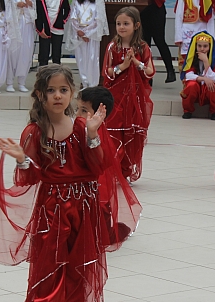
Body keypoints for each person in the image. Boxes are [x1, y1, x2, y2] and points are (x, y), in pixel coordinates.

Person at [0, 64, 141, 302]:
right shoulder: (35, 132)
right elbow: (29, 178)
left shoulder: (82, 126)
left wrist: (94, 135)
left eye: (63, 90)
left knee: (78, 258)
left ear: (72, 93)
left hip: (84, 205)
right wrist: (22, 159)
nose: (58, 96)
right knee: (49, 257)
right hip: (53, 206)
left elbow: (99, 167)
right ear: (39, 95)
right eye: (51, 90)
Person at [102, 6, 154, 183]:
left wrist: (136, 63)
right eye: (118, 24)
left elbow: (149, 72)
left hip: (135, 98)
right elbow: (107, 73)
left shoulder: (142, 47)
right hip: (116, 98)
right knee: (114, 134)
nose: (121, 27)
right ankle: (113, 170)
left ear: (136, 25)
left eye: (126, 23)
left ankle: (125, 171)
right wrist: (122, 66)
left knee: (131, 135)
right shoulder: (112, 46)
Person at [180, 31, 215, 120]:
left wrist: (206, 61)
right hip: (197, 86)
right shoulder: (191, 56)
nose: (202, 49)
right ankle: (187, 111)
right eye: (199, 46)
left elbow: (214, 77)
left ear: (210, 46)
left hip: (208, 86)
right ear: (195, 46)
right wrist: (204, 79)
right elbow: (188, 75)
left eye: (205, 46)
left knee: (214, 87)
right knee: (191, 85)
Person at [65, 0, 108, 89]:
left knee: (92, 59)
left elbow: (98, 20)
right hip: (79, 35)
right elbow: (73, 18)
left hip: (92, 36)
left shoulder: (98, 2)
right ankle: (84, 84)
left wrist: (86, 33)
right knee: (81, 59)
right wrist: (79, 32)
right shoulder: (76, 2)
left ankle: (93, 85)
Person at [140, 0, 176, 82]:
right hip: (142, 10)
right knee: (145, 43)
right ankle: (147, 74)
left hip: (156, 9)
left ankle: (170, 71)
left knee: (159, 41)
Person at [174, 0, 215, 69]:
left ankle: (201, 78)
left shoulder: (207, 1)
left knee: (201, 60)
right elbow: (179, 17)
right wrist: (178, 37)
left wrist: (212, 39)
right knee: (186, 60)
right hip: (187, 34)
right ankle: (187, 78)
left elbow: (210, 20)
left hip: (203, 33)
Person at [7, 0, 36, 92]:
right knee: (12, 54)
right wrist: (16, 5)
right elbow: (6, 6)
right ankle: (9, 82)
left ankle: (22, 82)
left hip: (28, 25)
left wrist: (31, 4)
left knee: (26, 54)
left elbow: (37, 8)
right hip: (15, 24)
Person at [35, 0, 70, 67]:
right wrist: (39, 29)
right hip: (44, 29)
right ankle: (43, 75)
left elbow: (67, 9)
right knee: (43, 55)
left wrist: (62, 21)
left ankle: (56, 75)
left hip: (57, 28)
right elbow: (37, 12)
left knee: (56, 56)